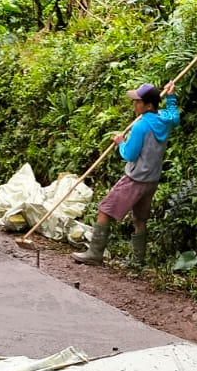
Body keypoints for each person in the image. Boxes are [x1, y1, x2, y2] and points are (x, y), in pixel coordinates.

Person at [73, 80, 179, 270]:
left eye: (138, 101)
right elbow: (174, 116)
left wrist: (121, 142)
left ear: (148, 105)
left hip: (135, 179)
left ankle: (94, 254)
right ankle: (137, 261)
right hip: (152, 180)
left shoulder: (140, 127)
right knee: (140, 219)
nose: (134, 104)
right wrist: (170, 96)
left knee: (105, 210)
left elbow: (129, 154)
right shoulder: (164, 119)